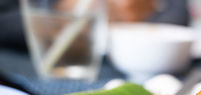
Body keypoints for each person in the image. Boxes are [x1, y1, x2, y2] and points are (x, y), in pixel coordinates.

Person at [0, 0, 189, 51]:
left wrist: (153, 4)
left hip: (128, 59)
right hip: (29, 72)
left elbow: (180, 12)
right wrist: (62, 12)